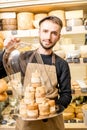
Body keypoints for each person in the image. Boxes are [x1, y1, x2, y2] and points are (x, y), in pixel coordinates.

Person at [3, 16, 72, 130]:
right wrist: (6, 52)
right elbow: (2, 71)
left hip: (52, 122)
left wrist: (51, 109)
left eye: (54, 33)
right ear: (39, 32)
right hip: (27, 120)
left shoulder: (62, 64)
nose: (48, 37)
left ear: (59, 37)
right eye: (45, 31)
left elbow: (66, 95)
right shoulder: (24, 57)